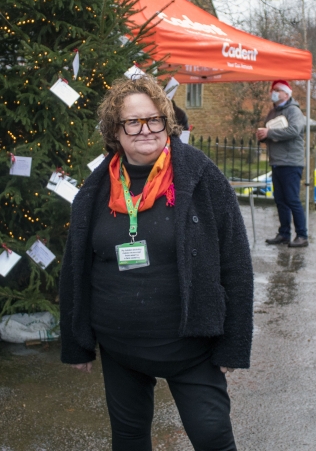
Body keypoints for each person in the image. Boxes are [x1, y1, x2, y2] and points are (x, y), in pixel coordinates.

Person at [59, 75, 253, 450]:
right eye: (133, 121)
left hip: (191, 348)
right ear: (115, 130)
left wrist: (233, 344)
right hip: (120, 348)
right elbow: (75, 268)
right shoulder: (96, 188)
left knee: (213, 436)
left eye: (154, 119)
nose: (145, 129)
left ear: (167, 121)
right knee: (129, 440)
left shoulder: (200, 176)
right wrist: (76, 342)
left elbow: (236, 263)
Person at [257, 80, 308, 248]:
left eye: (278, 90)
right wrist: (263, 136)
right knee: (280, 200)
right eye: (273, 90)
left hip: (291, 162)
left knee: (292, 199)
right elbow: (272, 133)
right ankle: (284, 233)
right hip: (277, 161)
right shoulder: (272, 112)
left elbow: (294, 130)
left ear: (287, 93)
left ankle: (302, 235)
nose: (274, 92)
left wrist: (269, 132)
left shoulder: (294, 111)